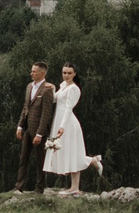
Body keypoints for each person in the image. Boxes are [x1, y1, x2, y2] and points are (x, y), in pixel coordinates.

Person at [43, 62, 105, 194]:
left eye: (69, 73)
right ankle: (91, 162)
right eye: (64, 73)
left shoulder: (74, 89)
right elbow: (54, 100)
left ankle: (75, 186)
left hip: (67, 123)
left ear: (74, 74)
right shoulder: (63, 86)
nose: (66, 75)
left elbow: (68, 108)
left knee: (72, 152)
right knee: (65, 152)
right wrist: (52, 88)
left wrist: (62, 126)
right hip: (58, 120)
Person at [13, 60, 55, 191]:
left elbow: (46, 114)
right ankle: (19, 187)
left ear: (42, 73)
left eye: (34, 71)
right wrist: (20, 126)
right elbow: (25, 107)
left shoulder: (47, 90)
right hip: (27, 129)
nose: (31, 73)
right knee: (23, 159)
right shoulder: (29, 87)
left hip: (38, 131)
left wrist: (39, 134)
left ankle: (40, 187)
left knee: (40, 161)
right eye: (31, 71)